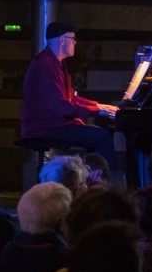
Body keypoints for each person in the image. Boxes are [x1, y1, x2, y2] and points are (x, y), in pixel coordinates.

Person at [20, 21, 118, 165]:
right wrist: (97, 111)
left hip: (51, 125)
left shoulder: (56, 63)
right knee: (102, 136)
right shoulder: (45, 66)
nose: (75, 43)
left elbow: (71, 98)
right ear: (62, 40)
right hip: (44, 128)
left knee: (100, 135)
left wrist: (99, 106)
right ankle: (107, 184)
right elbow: (61, 107)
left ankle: (95, 181)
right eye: (73, 39)